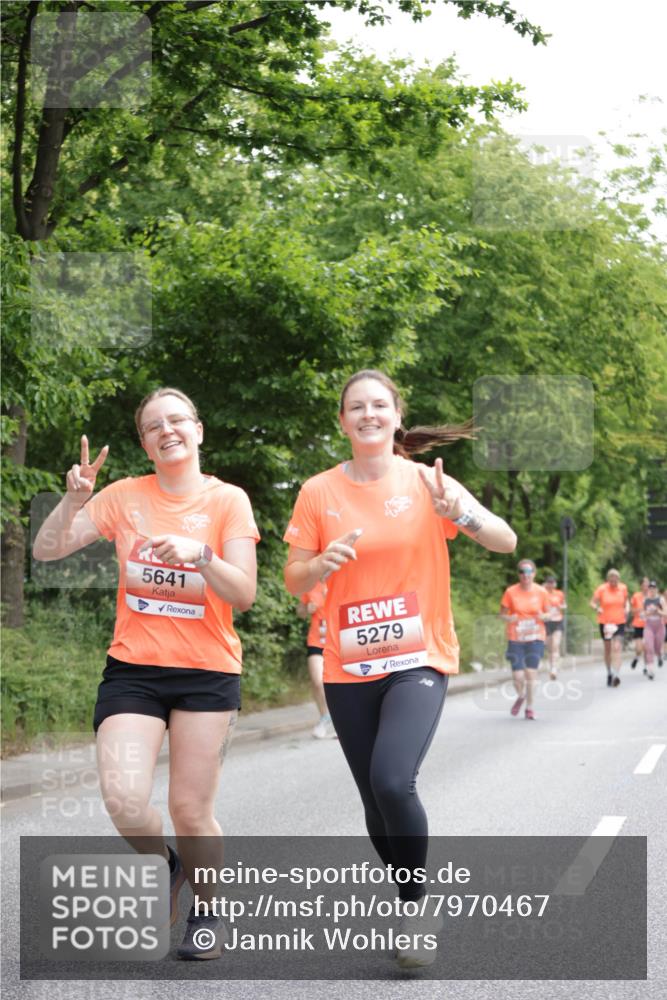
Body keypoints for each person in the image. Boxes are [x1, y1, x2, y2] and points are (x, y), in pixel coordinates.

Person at [283, 368, 516, 969]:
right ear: (342, 421)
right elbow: (292, 579)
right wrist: (320, 566)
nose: (367, 414)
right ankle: (411, 894)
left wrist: (458, 512)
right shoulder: (317, 492)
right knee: (372, 803)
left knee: (393, 780)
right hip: (348, 664)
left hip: (419, 656)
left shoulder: (427, 482)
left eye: (378, 405)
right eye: (355, 407)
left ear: (395, 416)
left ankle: (415, 909)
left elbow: (505, 540)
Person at [32, 388, 259, 960]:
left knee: (189, 809)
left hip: (207, 673)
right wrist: (71, 499)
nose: (167, 430)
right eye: (154, 425)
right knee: (124, 800)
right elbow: (47, 549)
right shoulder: (124, 496)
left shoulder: (229, 500)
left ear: (199, 430)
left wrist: (201, 556)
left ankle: (207, 909)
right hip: (134, 669)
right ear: (144, 442)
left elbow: (246, 593)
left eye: (178, 419)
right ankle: (164, 865)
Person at [500, 561, 551, 719]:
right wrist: (510, 617)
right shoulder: (510, 592)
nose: (526, 575)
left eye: (529, 571)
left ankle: (529, 707)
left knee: (530, 673)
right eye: (522, 571)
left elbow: (549, 613)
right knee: (518, 676)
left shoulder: (542, 592)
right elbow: (501, 614)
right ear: (518, 574)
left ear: (534, 574)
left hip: (535, 636)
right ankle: (521, 696)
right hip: (516, 637)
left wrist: (544, 616)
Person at [296, 582, 336, 738]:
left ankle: (342, 719)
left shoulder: (339, 580)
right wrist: (306, 609)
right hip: (317, 640)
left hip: (337, 642)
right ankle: (325, 717)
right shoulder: (311, 585)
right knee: (317, 681)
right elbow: (300, 611)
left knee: (339, 684)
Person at [590, 569, 629, 687]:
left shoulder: (623, 588)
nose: (614, 582)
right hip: (605, 623)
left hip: (619, 622)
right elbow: (592, 602)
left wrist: (627, 608)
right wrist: (597, 608)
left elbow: (626, 601)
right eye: (611, 579)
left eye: (616, 579)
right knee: (608, 650)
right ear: (608, 579)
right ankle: (609, 673)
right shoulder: (602, 589)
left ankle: (616, 674)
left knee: (617, 648)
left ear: (618, 579)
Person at [542, 574, 567, 680]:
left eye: (553, 583)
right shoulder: (542, 593)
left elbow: (564, 605)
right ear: (546, 584)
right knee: (549, 647)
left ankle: (554, 669)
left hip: (557, 621)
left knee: (555, 645)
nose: (551, 585)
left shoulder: (559, 594)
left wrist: (560, 606)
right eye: (549, 583)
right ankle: (551, 665)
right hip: (547, 621)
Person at [642, 581, 666, 680]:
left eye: (654, 588)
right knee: (649, 647)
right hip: (649, 626)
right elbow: (642, 615)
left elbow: (665, 613)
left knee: (657, 647)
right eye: (650, 588)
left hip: (659, 626)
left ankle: (659, 655)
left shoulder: (660, 600)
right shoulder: (645, 600)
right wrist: (647, 613)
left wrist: (657, 611)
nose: (652, 590)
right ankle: (651, 670)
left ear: (656, 589)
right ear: (648, 589)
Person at [629, 577, 649, 671]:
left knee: (646, 647)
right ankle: (636, 658)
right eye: (644, 585)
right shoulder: (636, 596)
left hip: (649, 625)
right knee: (639, 648)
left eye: (647, 585)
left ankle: (646, 667)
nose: (646, 587)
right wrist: (638, 610)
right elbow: (631, 610)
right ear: (641, 586)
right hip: (638, 625)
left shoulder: (652, 596)